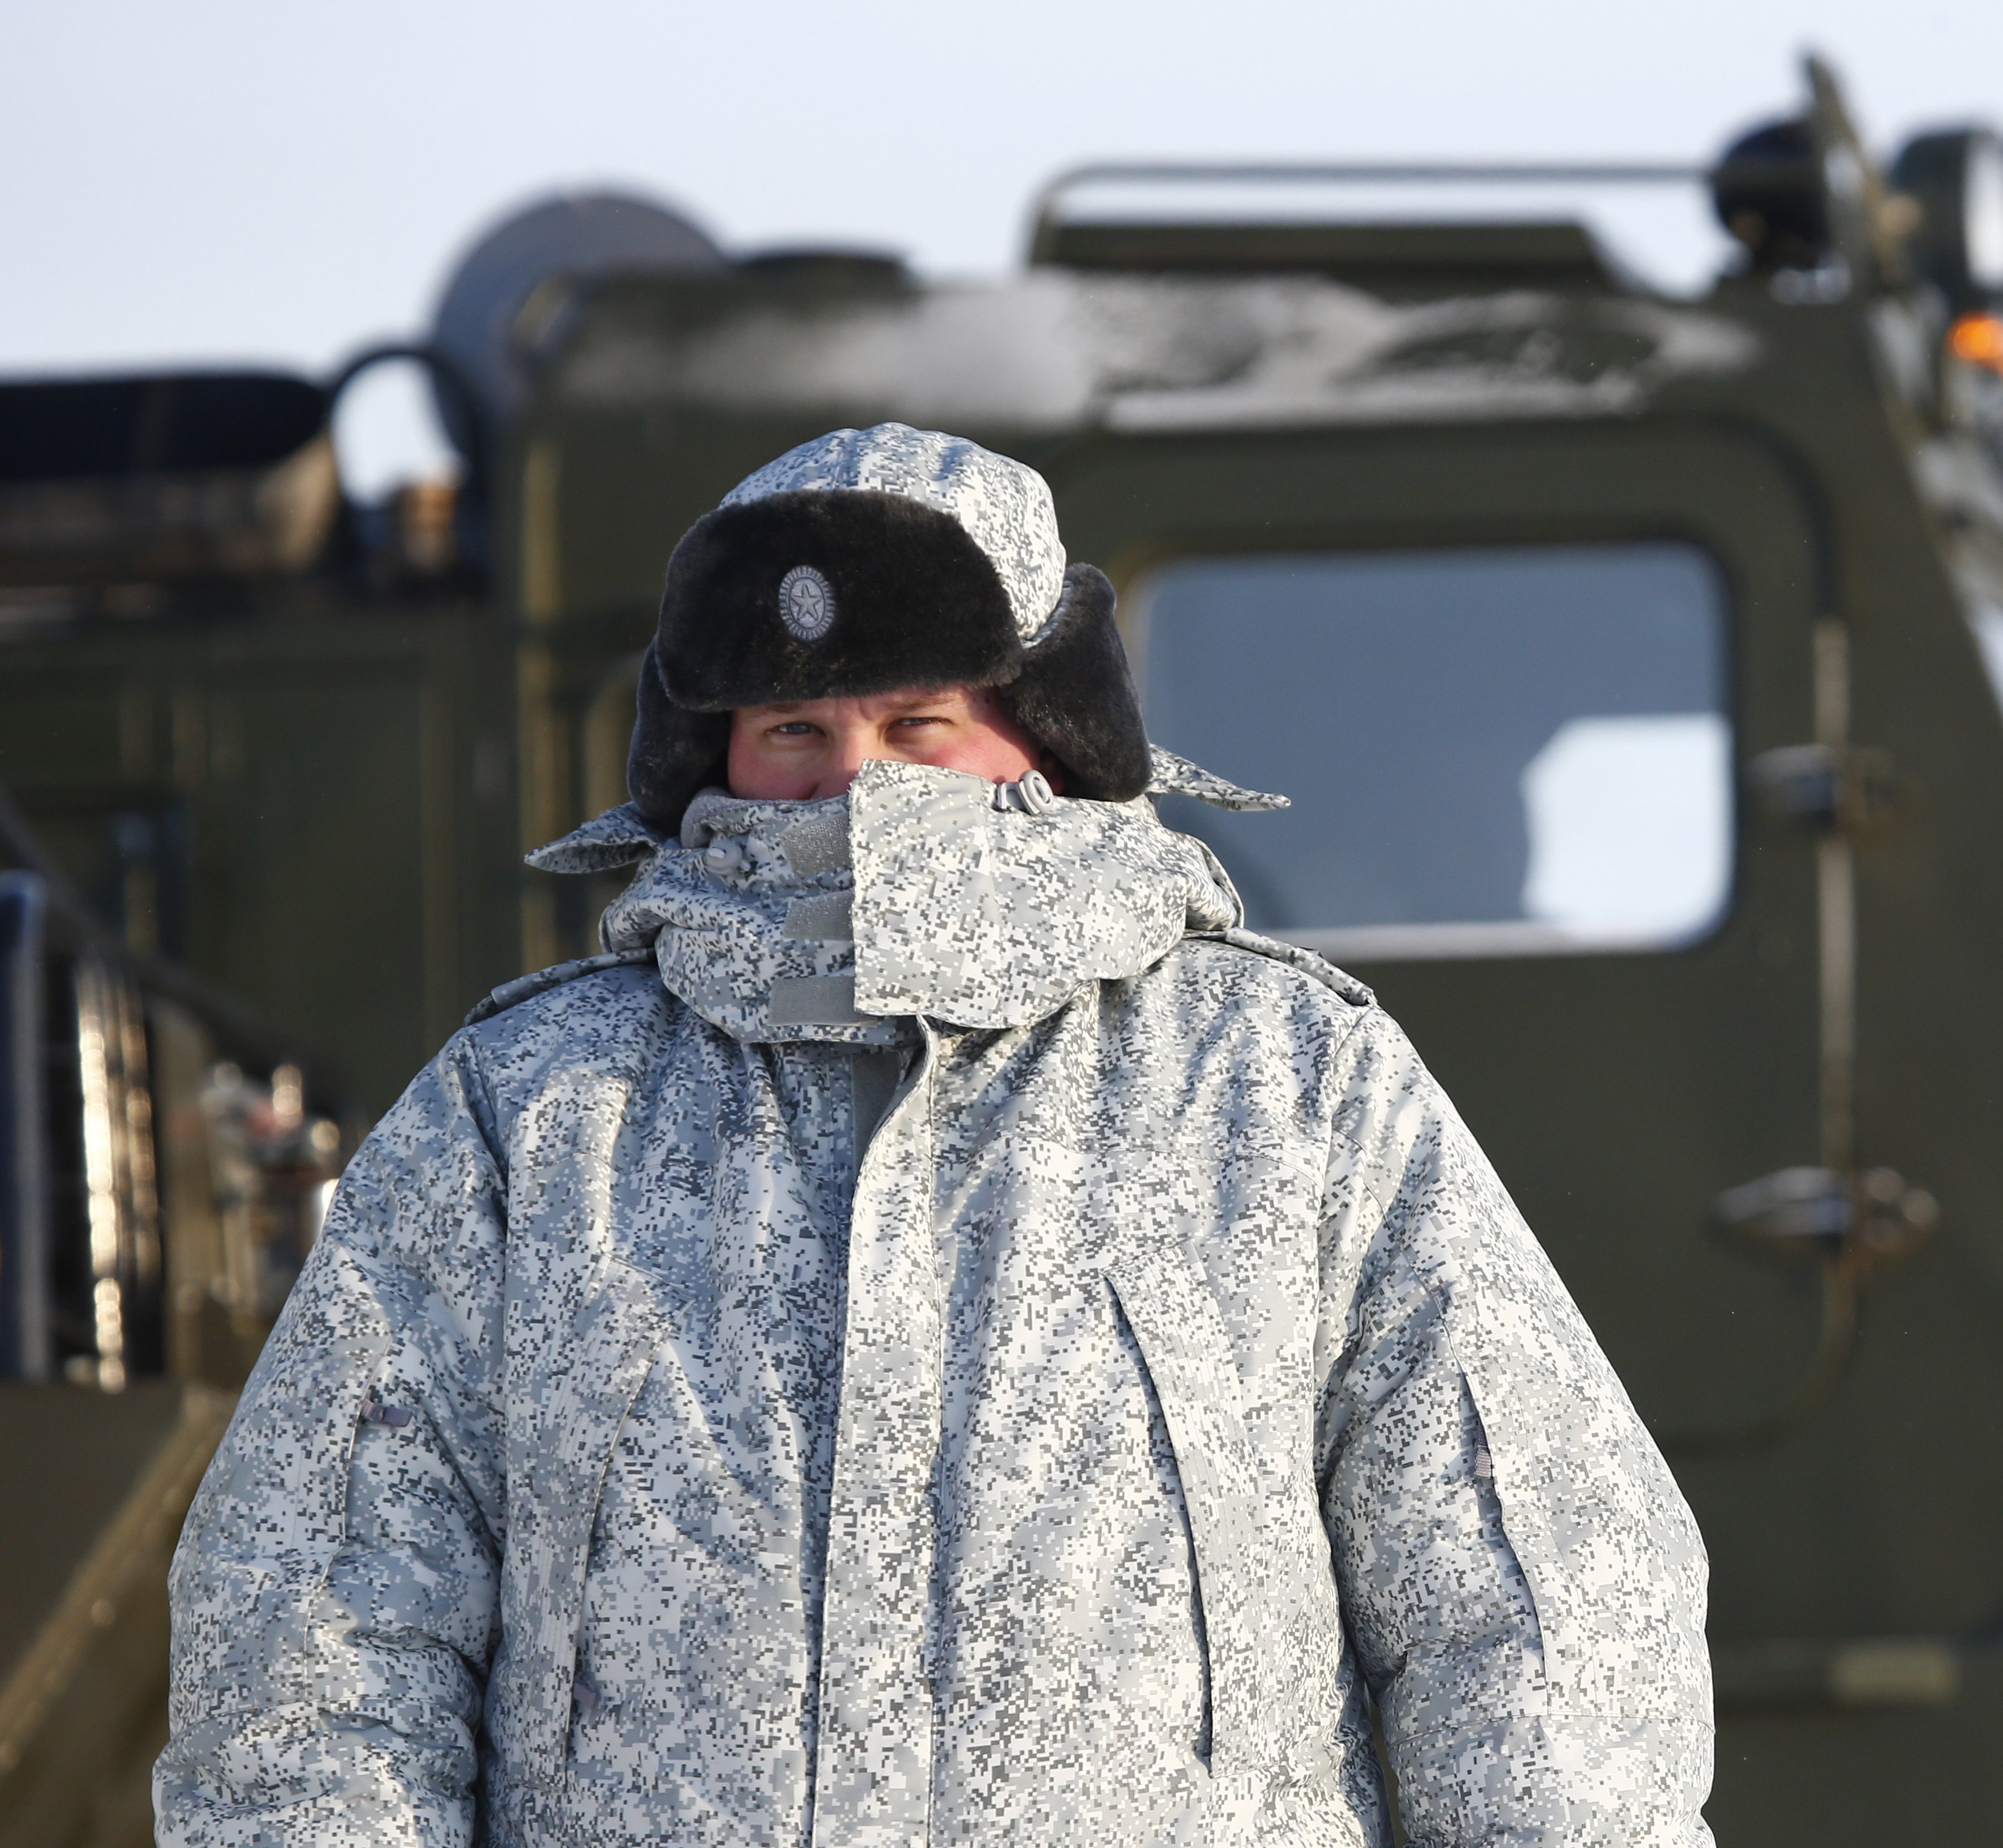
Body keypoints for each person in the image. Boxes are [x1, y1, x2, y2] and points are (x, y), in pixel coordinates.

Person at [154, 425, 1716, 1847]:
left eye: (919, 725)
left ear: (1046, 736)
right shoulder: (532, 1112)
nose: (855, 791)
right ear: (711, 759)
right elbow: (314, 1640)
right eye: (792, 734)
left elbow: (1540, 1606)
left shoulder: (1289, 1084)